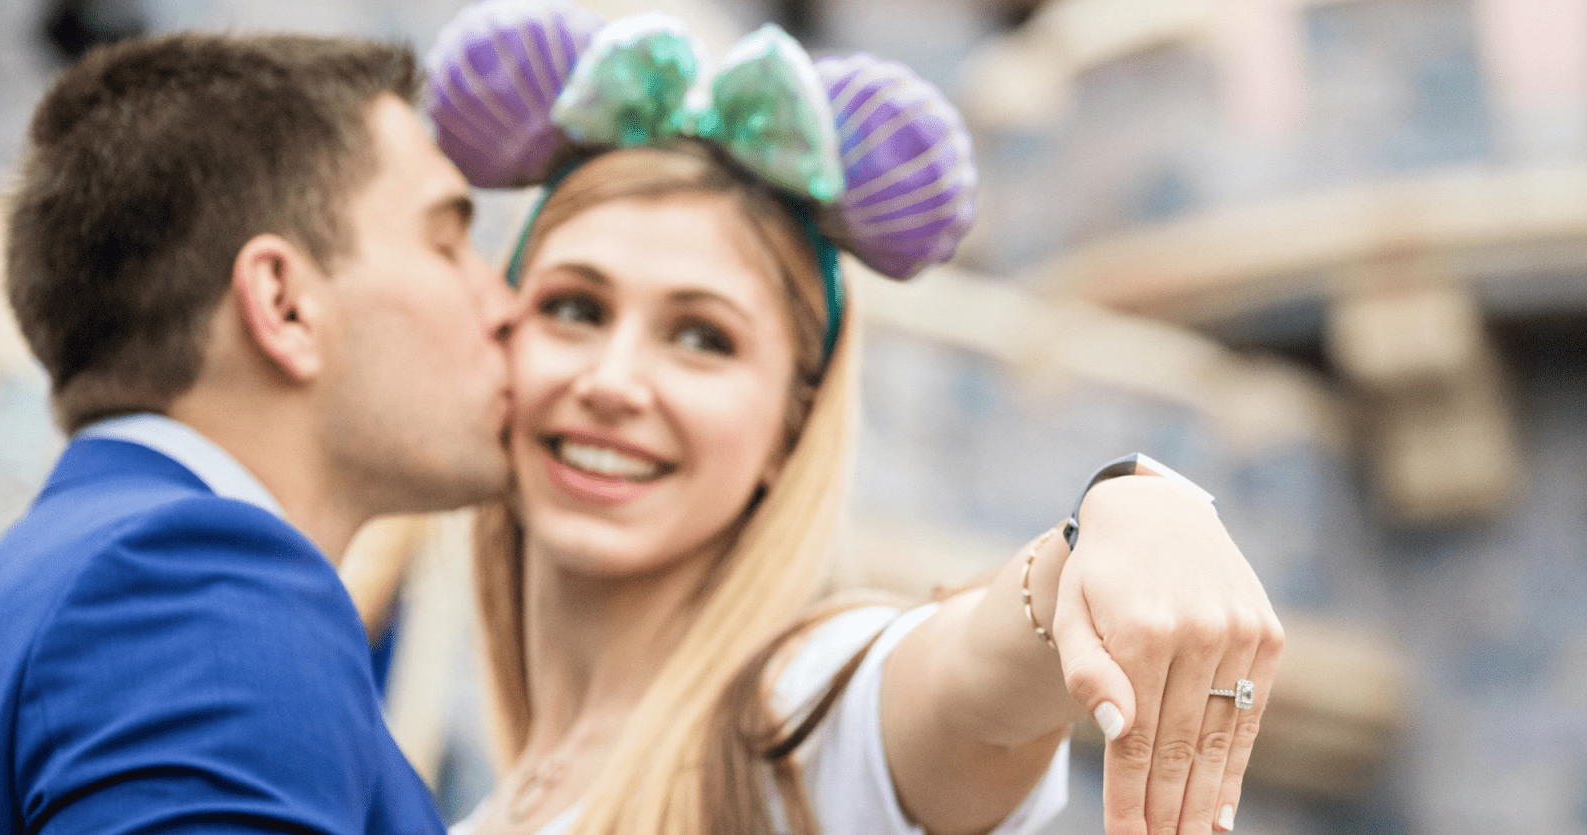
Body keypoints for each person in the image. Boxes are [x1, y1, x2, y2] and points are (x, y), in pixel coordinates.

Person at [425, 4, 1283, 835]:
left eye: (701, 337)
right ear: (502, 333)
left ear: (790, 425)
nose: (614, 381)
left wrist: (1127, 515)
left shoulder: (805, 719)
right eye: (575, 308)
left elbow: (966, 682)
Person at [0, 33, 518, 833]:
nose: (504, 303)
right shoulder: (198, 588)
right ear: (283, 303)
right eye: (447, 243)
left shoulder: (66, 570)